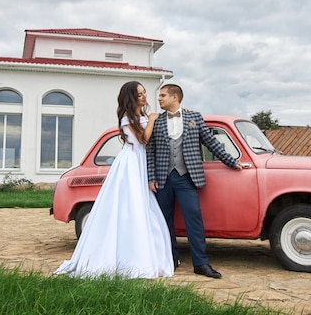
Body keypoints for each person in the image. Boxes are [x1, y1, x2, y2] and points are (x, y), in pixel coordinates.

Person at [54, 81, 174, 279]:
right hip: (131, 162)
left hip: (141, 161)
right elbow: (143, 139)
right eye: (140, 94)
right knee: (130, 203)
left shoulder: (143, 116)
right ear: (131, 97)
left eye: (144, 93)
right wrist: (152, 120)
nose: (144, 97)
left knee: (144, 206)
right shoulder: (127, 118)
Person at [147, 84, 242, 279]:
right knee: (164, 221)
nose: (159, 99)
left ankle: (201, 263)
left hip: (186, 178)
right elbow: (151, 151)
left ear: (175, 97)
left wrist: (232, 161)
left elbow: (211, 142)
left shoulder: (194, 117)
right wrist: (151, 177)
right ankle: (170, 259)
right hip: (163, 179)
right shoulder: (156, 121)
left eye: (163, 95)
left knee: (194, 219)